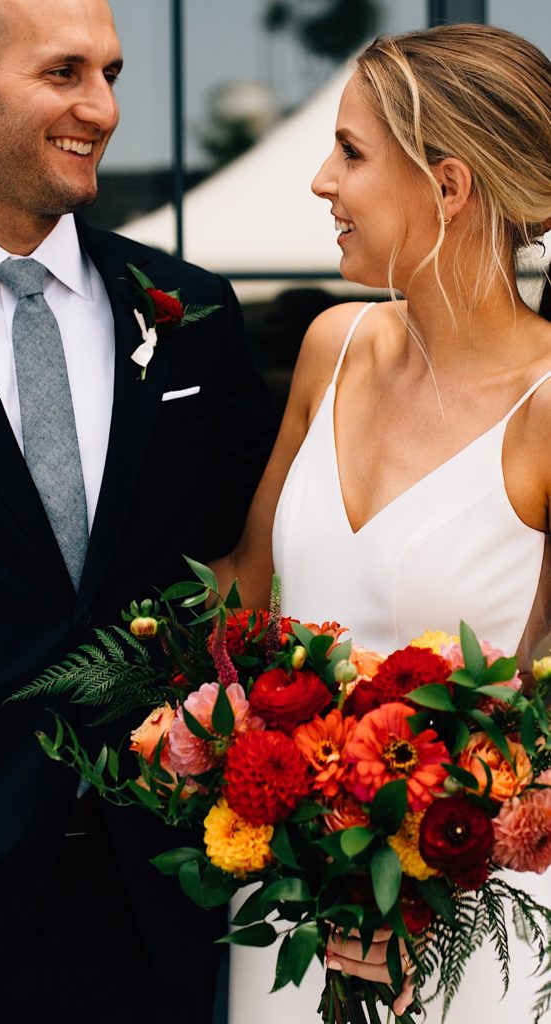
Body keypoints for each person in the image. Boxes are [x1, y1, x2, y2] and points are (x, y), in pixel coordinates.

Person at [0, 1, 275, 1021]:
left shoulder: (188, 311)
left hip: (158, 901)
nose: (100, 107)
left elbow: (248, 564)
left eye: (111, 72)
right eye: (64, 74)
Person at [213, 22, 551, 1024]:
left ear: (445, 189)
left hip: (467, 926)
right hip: (286, 905)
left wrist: (416, 897)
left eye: (351, 153)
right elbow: (240, 594)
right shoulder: (333, 345)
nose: (322, 181)